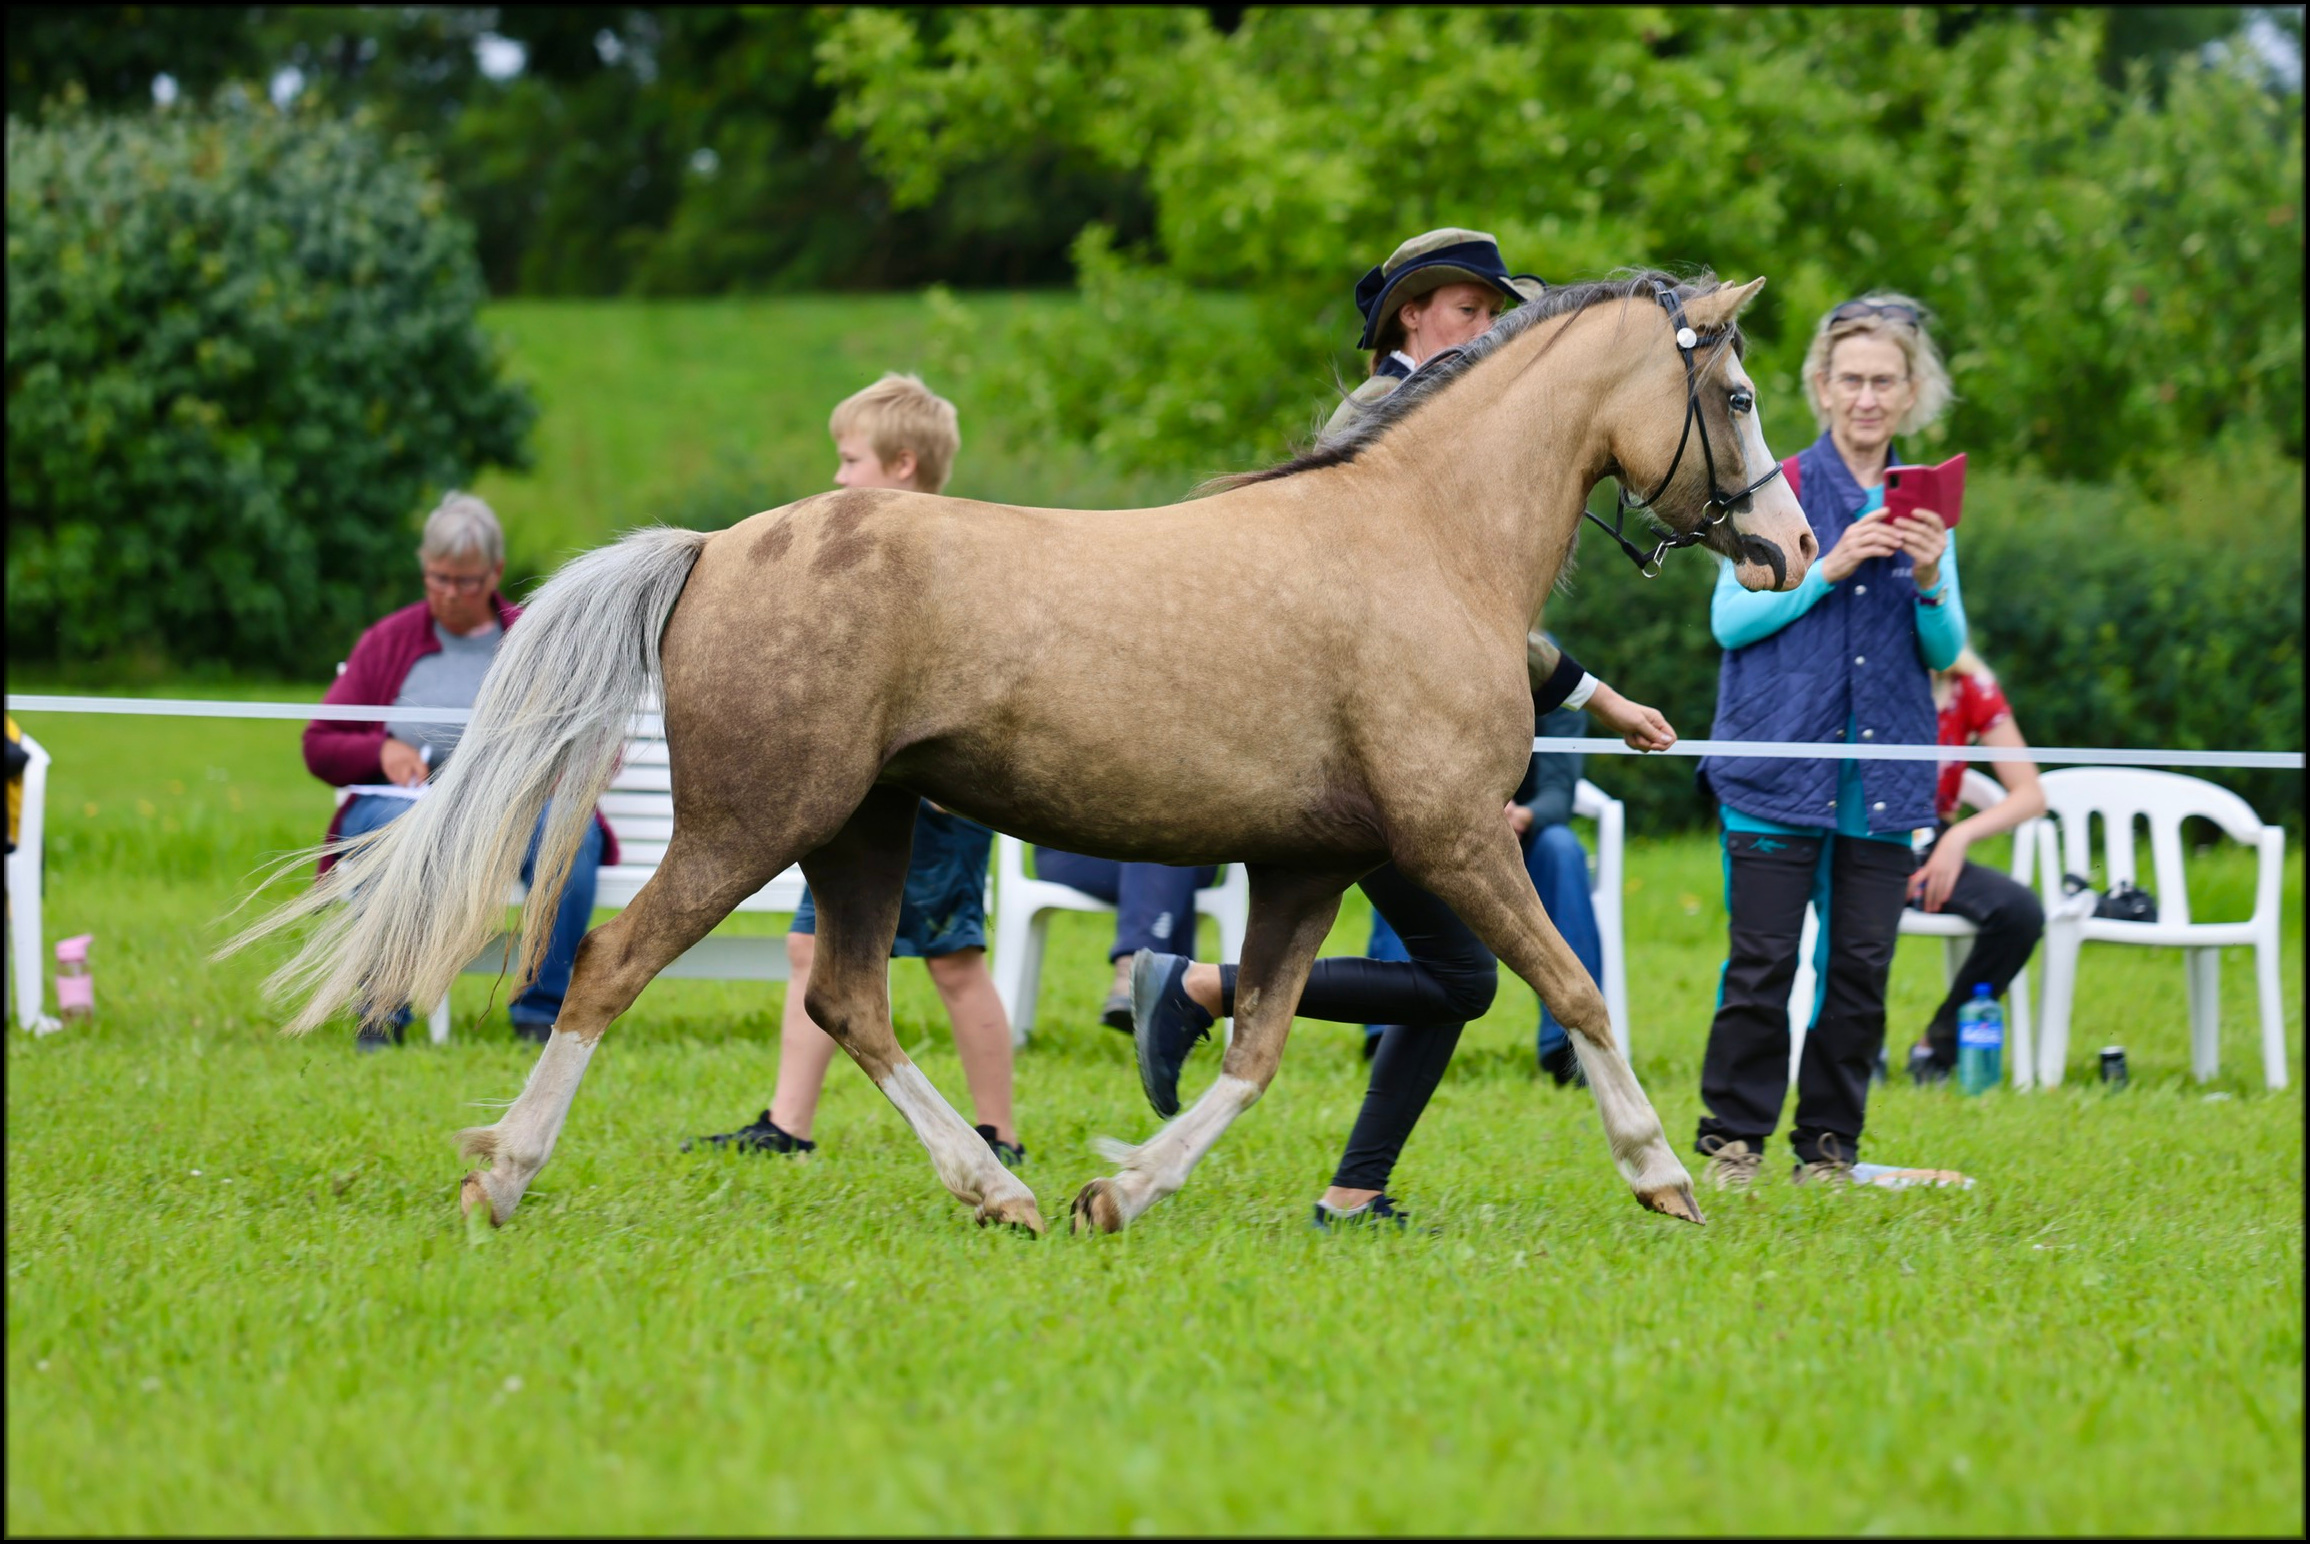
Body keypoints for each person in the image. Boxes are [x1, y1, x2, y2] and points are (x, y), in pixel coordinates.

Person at [1131, 229, 1675, 1229]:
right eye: (1471, 310)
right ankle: (1205, 995)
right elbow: (1433, 625)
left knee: (1460, 975)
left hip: (1383, 743)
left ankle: (1347, 1176)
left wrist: (1589, 694)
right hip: (1345, 754)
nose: (1489, 329)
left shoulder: (1466, 422)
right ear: (1412, 315)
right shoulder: (1387, 415)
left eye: (1497, 313)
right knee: (1461, 970)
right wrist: (1590, 696)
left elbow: (1468, 622)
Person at [690, 374, 1025, 1167]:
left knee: (953, 963)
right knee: (814, 954)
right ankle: (788, 1123)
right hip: (862, 800)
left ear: (902, 465)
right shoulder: (872, 568)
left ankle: (998, 1132)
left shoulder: (946, 556)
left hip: (939, 803)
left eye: (849, 461)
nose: (837, 479)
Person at [1691, 292, 1967, 1188]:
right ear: (1820, 385)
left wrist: (1929, 576)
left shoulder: (1929, 504)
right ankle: (1733, 1141)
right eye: (1851, 379)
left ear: (1912, 391)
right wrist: (1829, 565)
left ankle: (1829, 1151)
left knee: (1859, 969)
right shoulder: (1776, 487)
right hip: (1776, 763)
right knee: (1762, 963)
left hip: (1882, 780)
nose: (1867, 397)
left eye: (1885, 381)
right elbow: (1729, 620)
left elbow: (1947, 650)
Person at [304, 493, 616, 1049]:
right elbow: (320, 743)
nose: (449, 593)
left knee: (571, 835)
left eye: (465, 581)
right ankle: (381, 1014)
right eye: (437, 578)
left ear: (494, 573)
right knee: (389, 836)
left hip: (511, 807)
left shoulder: (536, 638)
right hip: (404, 801)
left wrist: (536, 770)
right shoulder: (388, 642)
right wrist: (380, 753)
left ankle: (540, 1013)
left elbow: (597, 745)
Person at [1363, 693, 1604, 1090]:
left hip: (1525, 835)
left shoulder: (1556, 681)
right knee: (1399, 853)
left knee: (1563, 850)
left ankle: (1568, 1044)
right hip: (1443, 828)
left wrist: (1523, 814)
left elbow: (1559, 789)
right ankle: (1387, 1031)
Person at [1902, 648, 2046, 1081]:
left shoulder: (1970, 687)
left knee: (2019, 913)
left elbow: (2031, 793)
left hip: (1934, 839)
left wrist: (1960, 836)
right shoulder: (1859, 672)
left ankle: (1938, 1046)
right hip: (1864, 836)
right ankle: (1858, 1049)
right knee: (1860, 911)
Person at [1030, 849, 1218, 1031]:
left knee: (1164, 837)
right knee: (1162, 854)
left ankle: (1136, 971)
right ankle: (1158, 982)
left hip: (1186, 853)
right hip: (1078, 853)